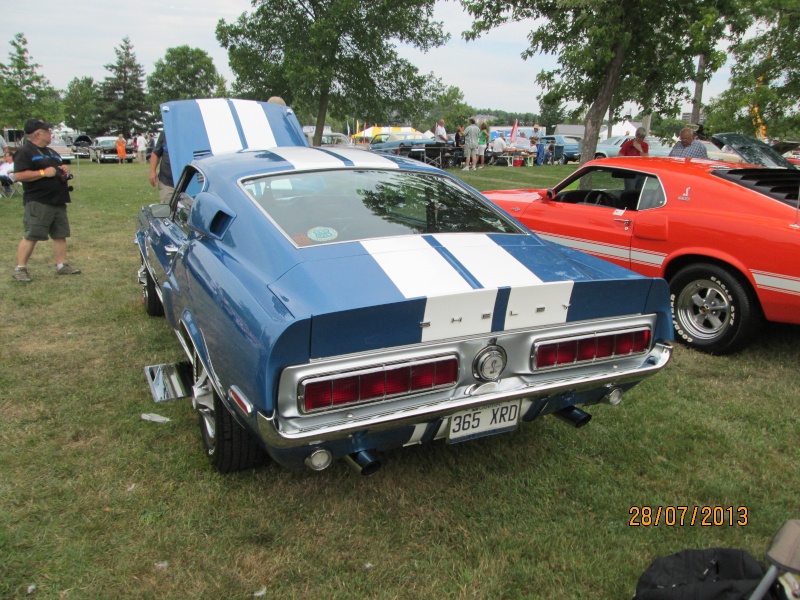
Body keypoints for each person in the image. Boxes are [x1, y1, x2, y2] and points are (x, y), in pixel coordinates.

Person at [12, 119, 80, 283]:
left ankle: (61, 265)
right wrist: (42, 173)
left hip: (58, 200)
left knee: (60, 234)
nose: (51, 133)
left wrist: (63, 169)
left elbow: (56, 170)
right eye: (47, 131)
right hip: (39, 201)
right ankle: (20, 268)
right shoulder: (25, 152)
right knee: (32, 234)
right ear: (37, 133)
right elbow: (19, 175)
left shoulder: (51, 152)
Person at [149, 131, 174, 204]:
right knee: (168, 210)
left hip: (192, 185)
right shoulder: (166, 132)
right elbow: (156, 153)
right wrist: (152, 171)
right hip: (168, 184)